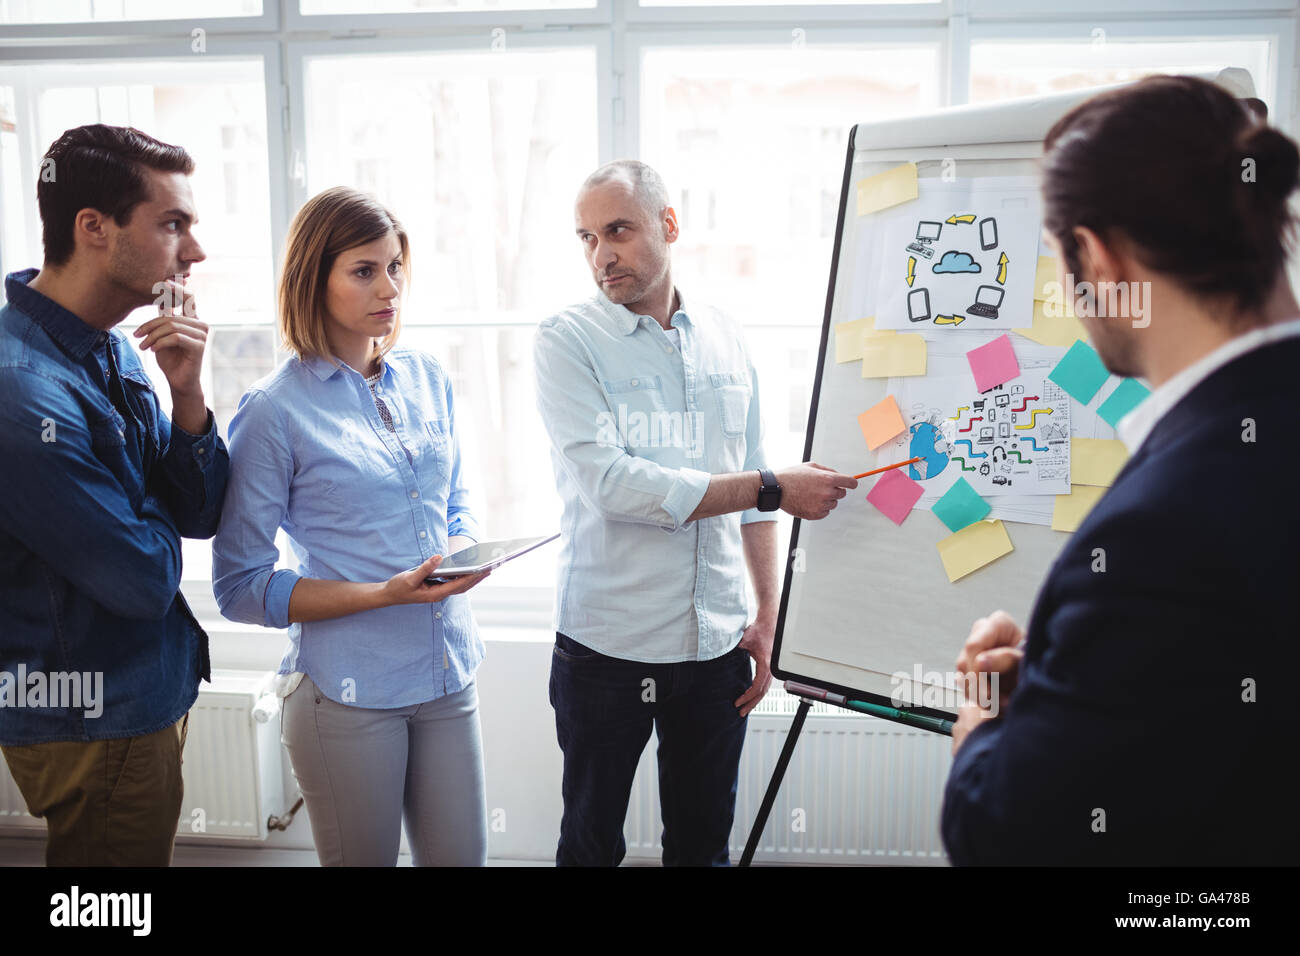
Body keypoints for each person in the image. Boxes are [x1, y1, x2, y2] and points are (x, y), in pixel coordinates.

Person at [941, 75, 1300, 865]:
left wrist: (988, 725)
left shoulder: (1160, 530)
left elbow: (1009, 835)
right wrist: (1083, 674)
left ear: (1096, 257)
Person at [533, 159, 859, 866]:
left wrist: (769, 615)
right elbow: (615, 485)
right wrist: (768, 485)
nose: (601, 254)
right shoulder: (566, 340)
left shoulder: (726, 336)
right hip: (605, 650)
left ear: (669, 224)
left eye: (617, 230)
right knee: (590, 846)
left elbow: (757, 494)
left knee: (703, 847)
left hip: (717, 649)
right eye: (586, 238)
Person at [212, 186, 491, 866]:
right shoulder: (273, 411)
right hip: (346, 695)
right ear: (315, 278)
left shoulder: (427, 377)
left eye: (395, 266)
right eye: (364, 270)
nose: (388, 287)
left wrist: (462, 548)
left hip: (448, 673)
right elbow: (241, 586)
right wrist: (383, 593)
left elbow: (456, 497)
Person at [0, 124, 228, 866]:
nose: (193, 251)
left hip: (140, 696)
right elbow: (143, 578)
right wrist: (151, 505)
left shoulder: (108, 345)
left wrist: (187, 396)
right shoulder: (21, 392)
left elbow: (198, 513)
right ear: (93, 228)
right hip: (93, 715)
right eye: (172, 224)